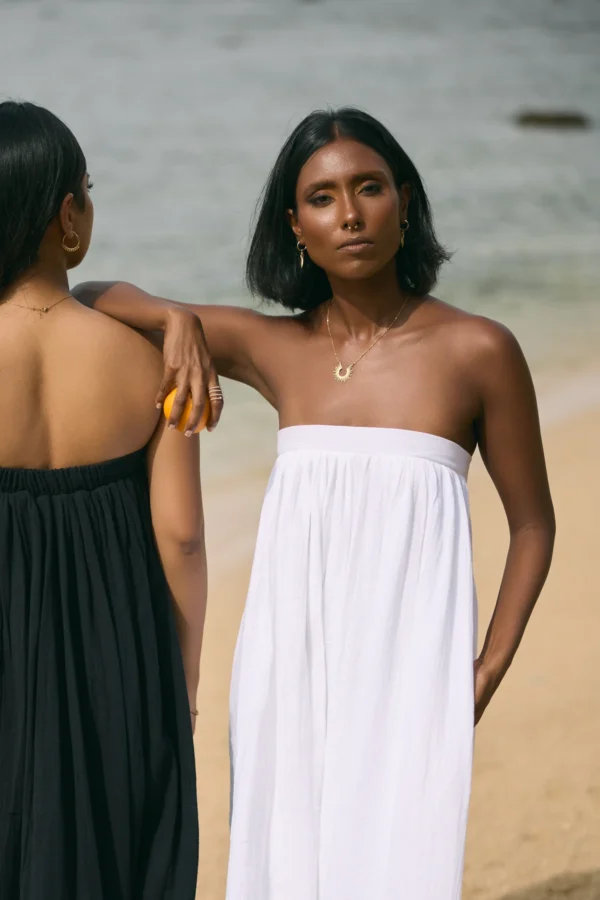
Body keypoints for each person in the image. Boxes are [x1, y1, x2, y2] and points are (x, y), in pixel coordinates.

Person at [79, 107, 555, 900]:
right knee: (284, 868)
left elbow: (534, 524)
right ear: (296, 227)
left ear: (405, 200)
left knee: (405, 866)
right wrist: (175, 320)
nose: (352, 213)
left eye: (370, 188)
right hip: (286, 667)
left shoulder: (480, 350)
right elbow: (95, 295)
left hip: (414, 672)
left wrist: (484, 669)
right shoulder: (278, 349)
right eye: (324, 198)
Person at [0, 101, 208, 900]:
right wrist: (178, 684)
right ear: (68, 214)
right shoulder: (157, 362)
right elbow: (183, 540)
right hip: (121, 660)